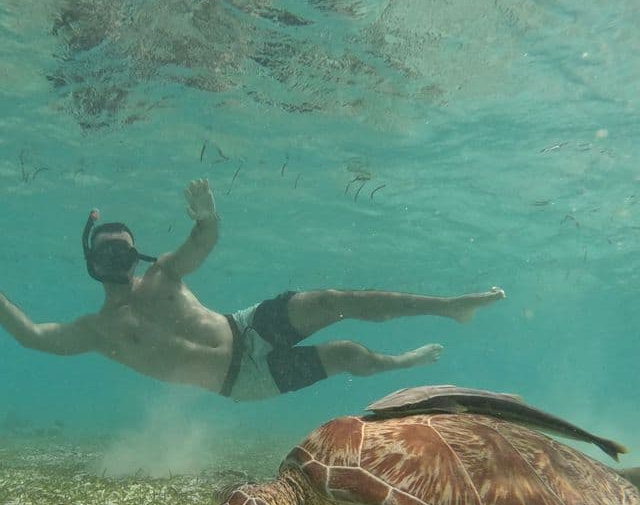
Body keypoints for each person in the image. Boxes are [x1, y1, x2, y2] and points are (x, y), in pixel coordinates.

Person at [0, 179, 505, 402]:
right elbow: (31, 335)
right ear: (92, 262)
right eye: (107, 253)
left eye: (124, 251)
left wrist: (207, 216)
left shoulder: (164, 276)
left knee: (332, 299)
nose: (117, 260)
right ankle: (400, 365)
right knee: (348, 353)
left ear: (138, 255)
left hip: (244, 325)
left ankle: (449, 307)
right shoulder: (96, 330)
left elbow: (203, 242)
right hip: (243, 383)